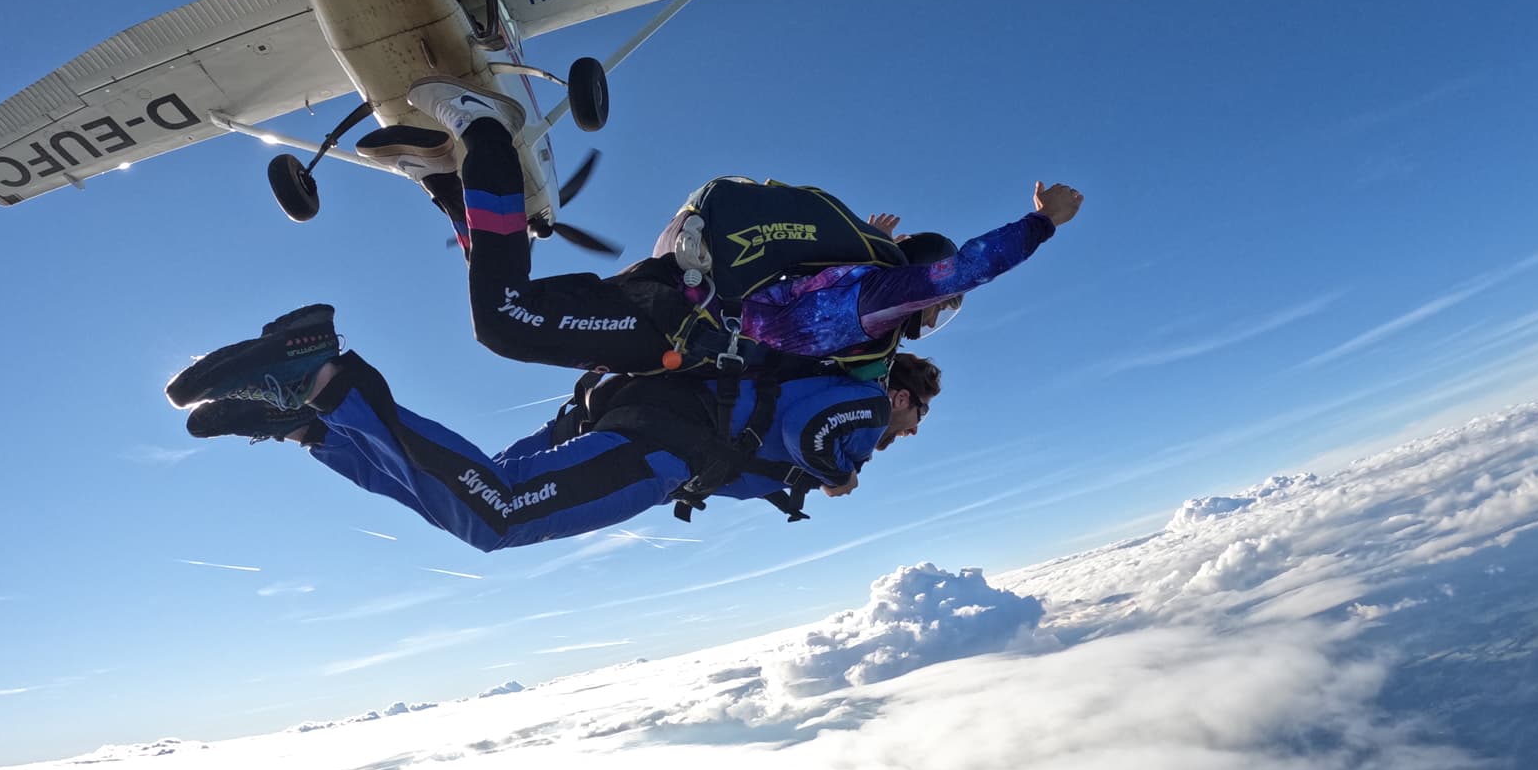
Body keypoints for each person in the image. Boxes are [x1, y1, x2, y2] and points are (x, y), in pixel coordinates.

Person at [369, 77, 1084, 377]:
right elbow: (957, 271)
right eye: (942, 306)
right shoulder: (878, 307)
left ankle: (445, 177)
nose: (940, 310)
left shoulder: (853, 290)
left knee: (510, 296)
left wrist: (859, 246)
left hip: (661, 305)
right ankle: (486, 137)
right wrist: (1040, 224)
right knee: (504, 321)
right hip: (666, 322)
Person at [164, 304, 940, 553]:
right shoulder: (863, 407)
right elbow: (816, 435)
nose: (909, 428)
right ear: (900, 391)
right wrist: (845, 469)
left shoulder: (827, 383)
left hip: (625, 414)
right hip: (662, 443)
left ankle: (309, 423)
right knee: (496, 518)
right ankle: (323, 374)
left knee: (470, 500)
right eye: (916, 413)